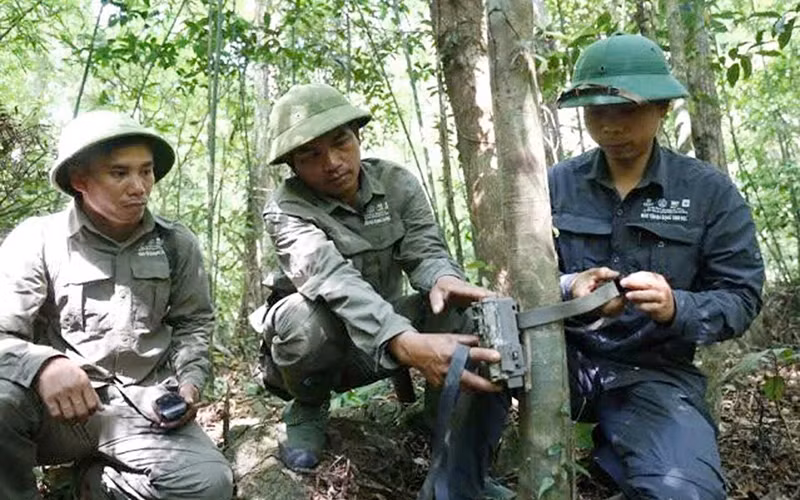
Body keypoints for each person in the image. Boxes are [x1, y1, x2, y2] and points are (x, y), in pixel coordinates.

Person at [253, 83, 510, 498]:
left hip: (388, 336)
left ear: (358, 137)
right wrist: (403, 341)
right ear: (293, 167)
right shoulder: (286, 209)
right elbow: (334, 281)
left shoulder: (396, 183)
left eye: (341, 143)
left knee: (463, 307)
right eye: (311, 156)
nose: (333, 163)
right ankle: (307, 408)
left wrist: (442, 278)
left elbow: (426, 251)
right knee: (303, 321)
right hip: (330, 344)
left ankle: (450, 442)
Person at [550, 34, 765, 499]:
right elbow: (516, 279)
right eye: (596, 112)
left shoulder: (708, 192)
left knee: (685, 493)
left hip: (654, 372)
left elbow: (742, 296)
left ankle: (624, 446)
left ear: (663, 108)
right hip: (561, 362)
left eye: (626, 110)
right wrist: (570, 288)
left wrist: (676, 308)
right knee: (471, 351)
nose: (610, 127)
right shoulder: (554, 185)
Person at [0, 110, 234, 499]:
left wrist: (191, 382)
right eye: (119, 173)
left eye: (146, 171)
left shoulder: (175, 243)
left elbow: (194, 323)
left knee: (208, 487)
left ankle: (93, 485)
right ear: (80, 180)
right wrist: (45, 365)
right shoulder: (37, 240)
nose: (139, 186)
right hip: (58, 411)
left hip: (144, 410)